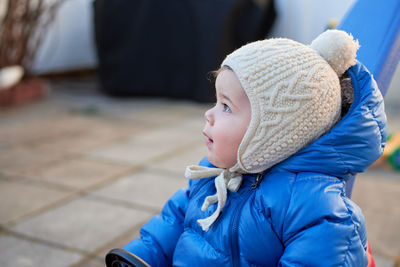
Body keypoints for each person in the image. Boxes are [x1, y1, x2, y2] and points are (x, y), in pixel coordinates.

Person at [118, 30, 387, 266]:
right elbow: (175, 217)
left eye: (225, 106)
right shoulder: (216, 173)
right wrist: (144, 255)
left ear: (273, 133)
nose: (209, 114)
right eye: (216, 101)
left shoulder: (317, 210)